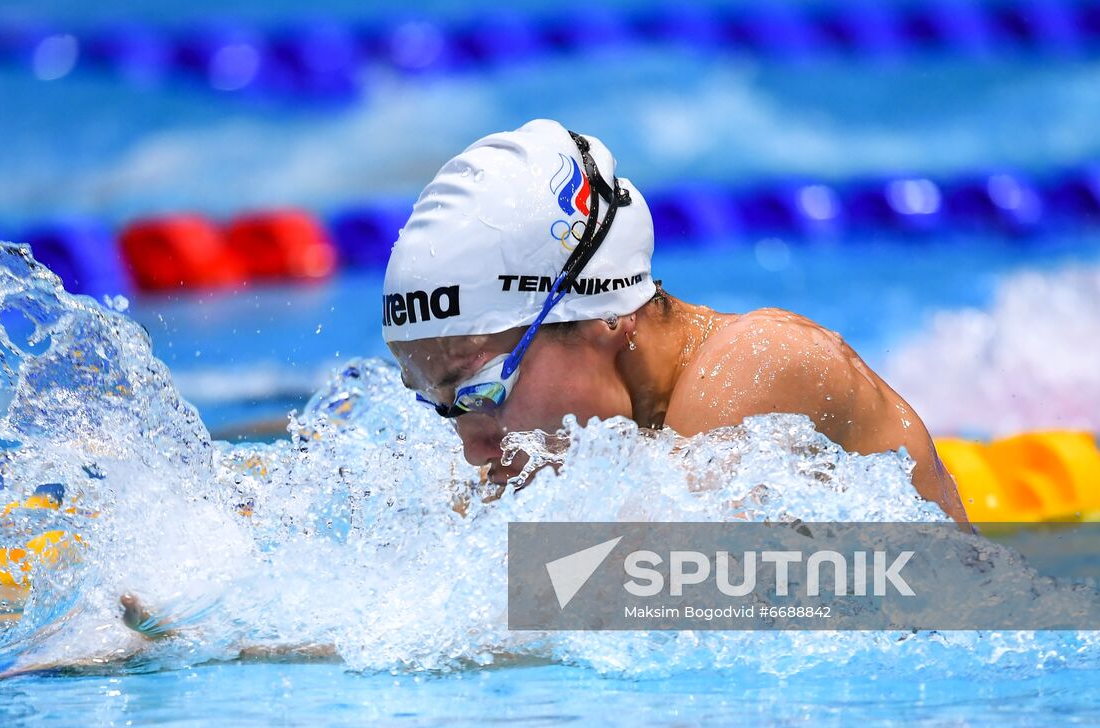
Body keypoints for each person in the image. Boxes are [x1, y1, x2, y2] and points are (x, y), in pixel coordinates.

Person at [382, 119, 968, 523]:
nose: (475, 451)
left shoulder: (762, 365)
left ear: (603, 318)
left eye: (484, 390)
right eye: (447, 408)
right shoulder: (590, 444)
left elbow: (621, 598)